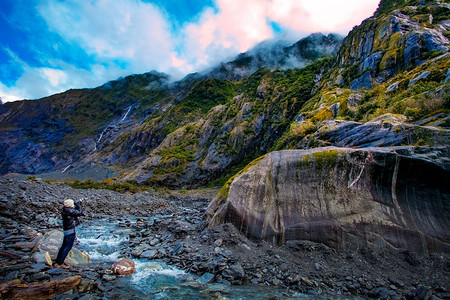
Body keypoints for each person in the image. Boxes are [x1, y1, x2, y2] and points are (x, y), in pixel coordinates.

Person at [53, 198, 83, 269]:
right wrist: (79, 205)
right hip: (70, 231)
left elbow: (75, 211)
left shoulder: (65, 209)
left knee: (63, 246)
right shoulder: (69, 211)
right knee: (67, 247)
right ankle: (60, 263)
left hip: (67, 230)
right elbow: (80, 212)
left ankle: (58, 262)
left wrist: (77, 204)